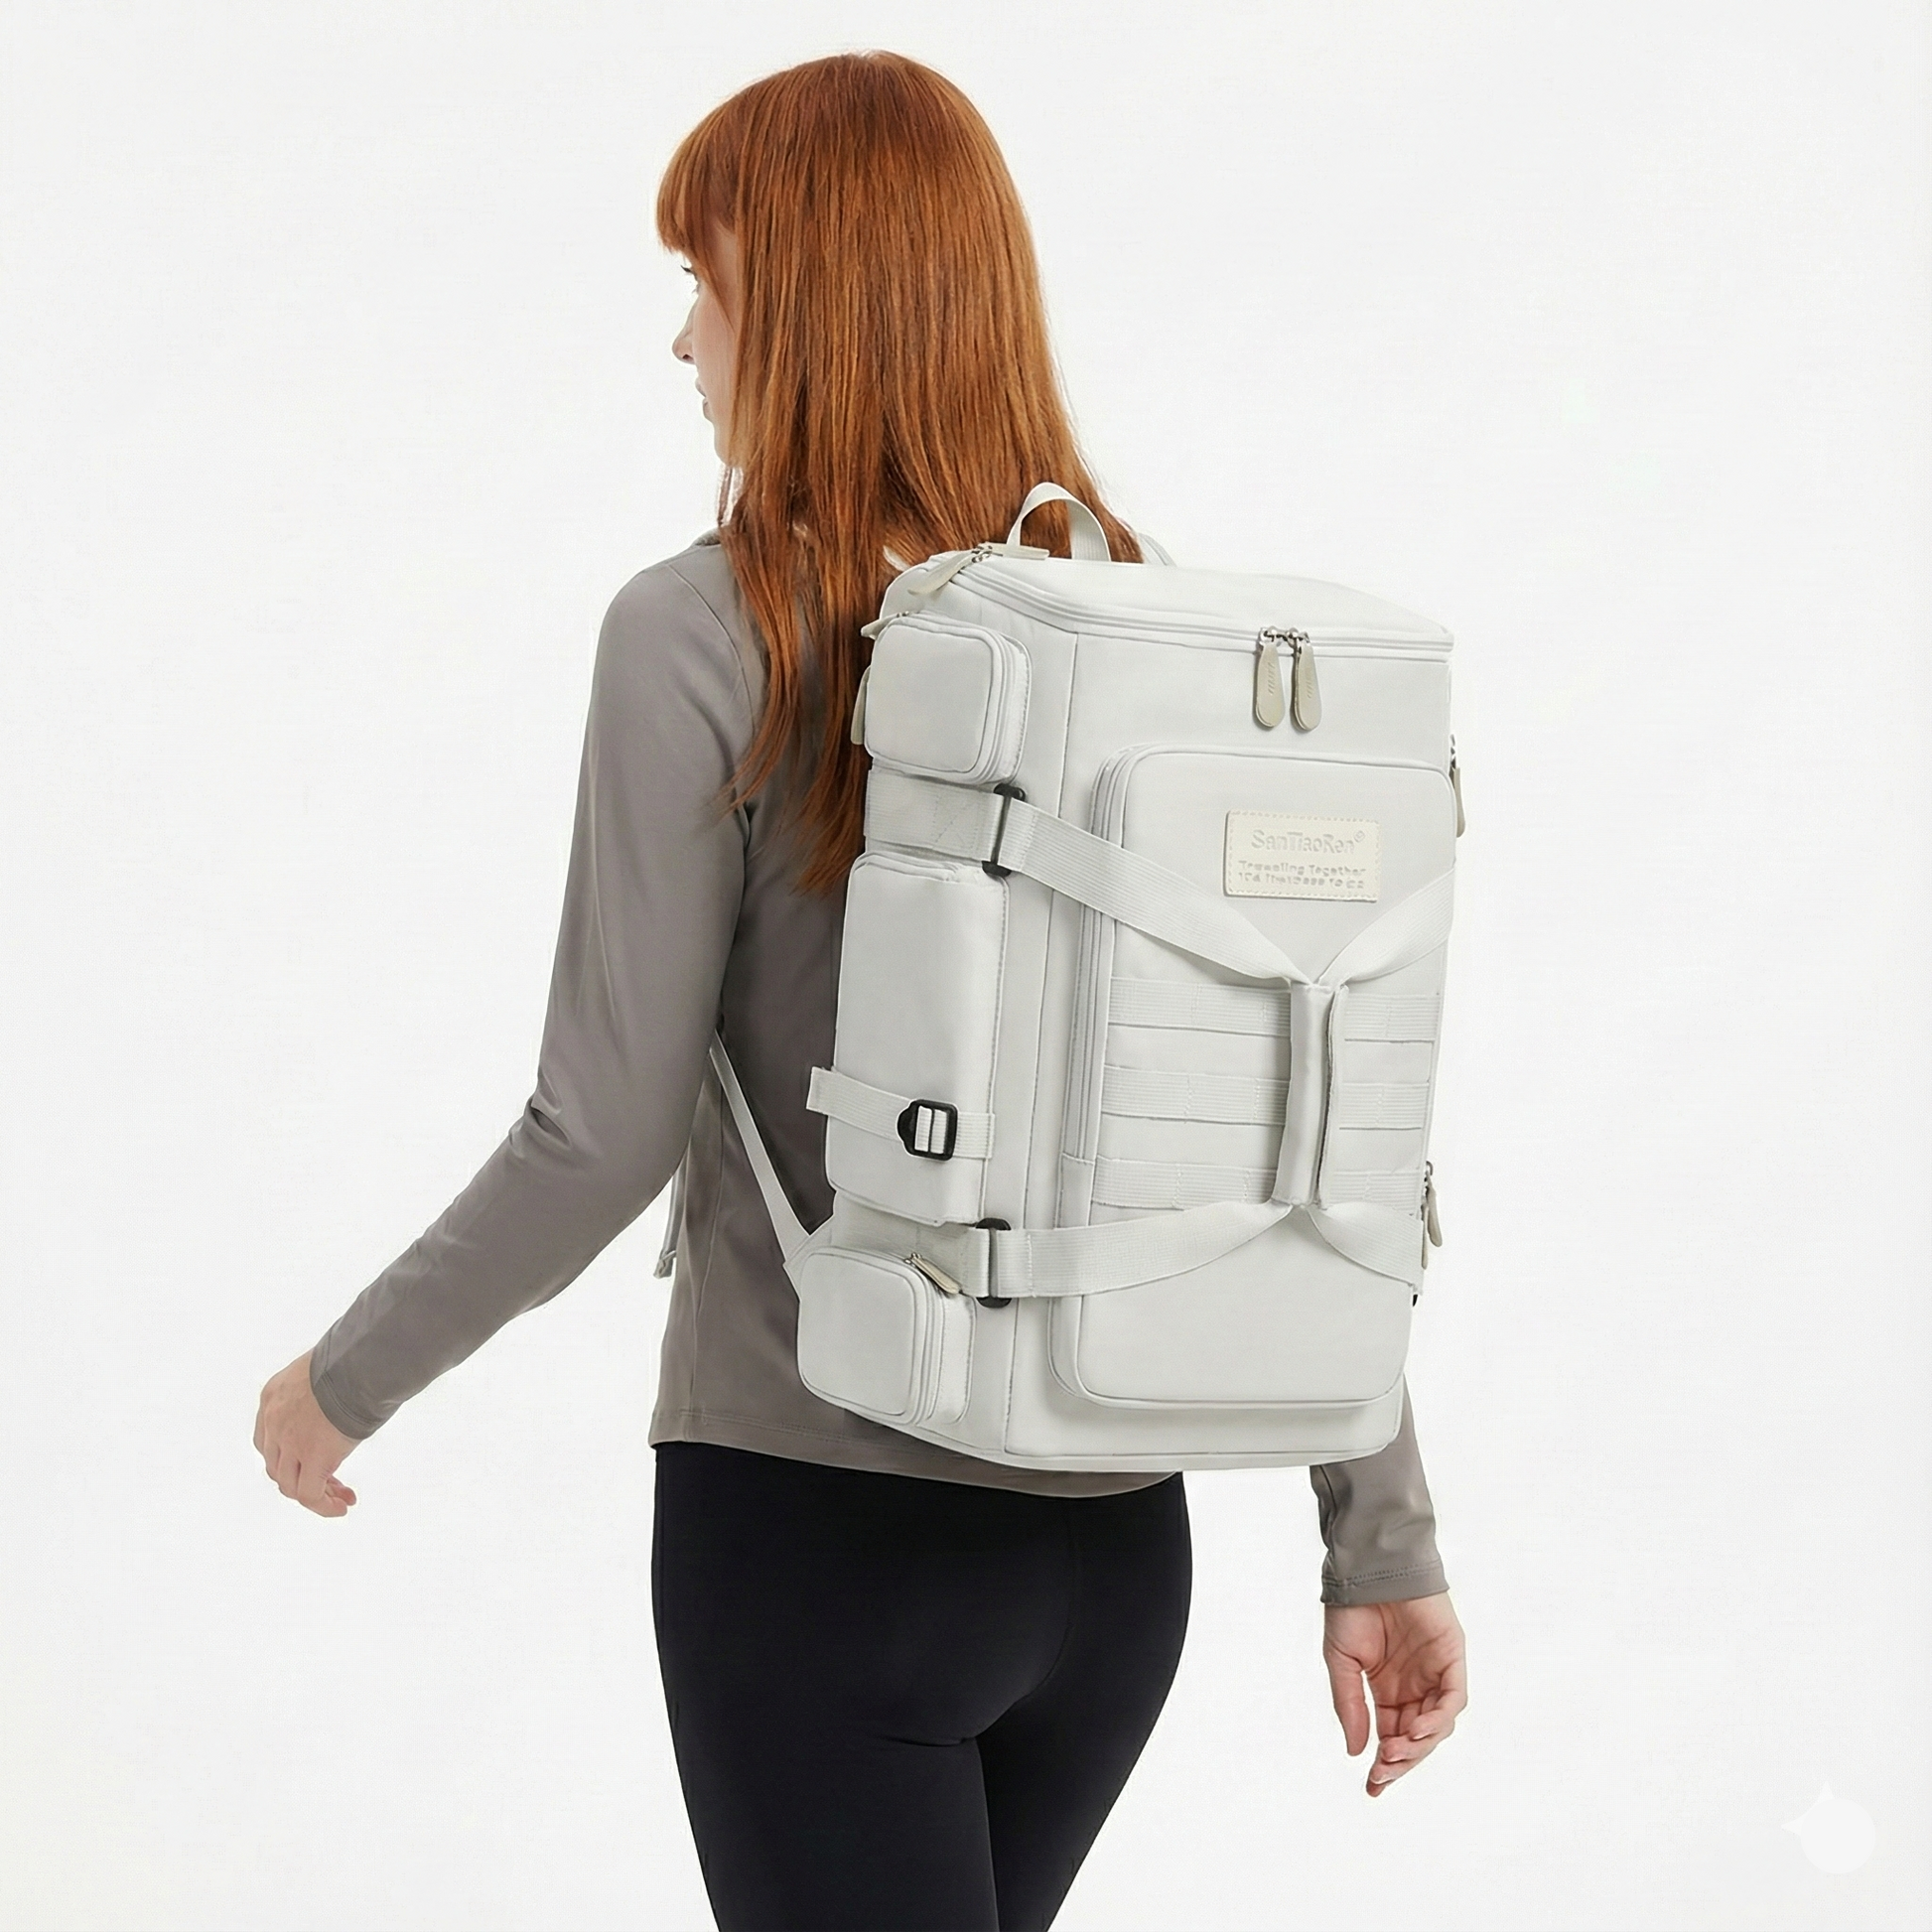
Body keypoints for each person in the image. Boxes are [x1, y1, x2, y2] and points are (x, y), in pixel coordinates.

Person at [252, 49, 1467, 1932]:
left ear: (808, 302)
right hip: (1111, 1558)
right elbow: (1278, 1123)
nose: (683, 342)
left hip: (816, 1539)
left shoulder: (700, 628)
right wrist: (1378, 1534)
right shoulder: (1136, 620)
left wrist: (343, 1380)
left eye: (706, 283)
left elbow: (598, 1133)